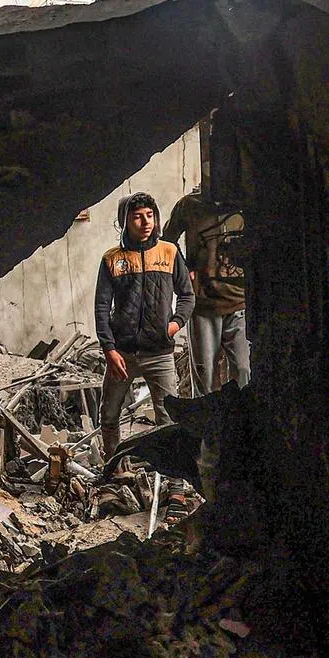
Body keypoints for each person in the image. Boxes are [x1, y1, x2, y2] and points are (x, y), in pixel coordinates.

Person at [94, 192, 195, 458]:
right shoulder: (112, 259)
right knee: (109, 415)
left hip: (160, 353)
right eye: (138, 217)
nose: (146, 222)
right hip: (122, 355)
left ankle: (173, 480)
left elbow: (187, 295)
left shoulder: (169, 252)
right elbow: (101, 308)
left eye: (150, 215)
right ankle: (115, 471)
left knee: (169, 419)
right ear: (125, 221)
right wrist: (109, 349)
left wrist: (174, 325)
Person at [162, 187, 249, 395]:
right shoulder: (189, 205)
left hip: (239, 301)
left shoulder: (246, 202)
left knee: (244, 372)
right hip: (203, 304)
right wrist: (183, 272)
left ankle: (242, 415)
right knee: (206, 378)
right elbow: (167, 241)